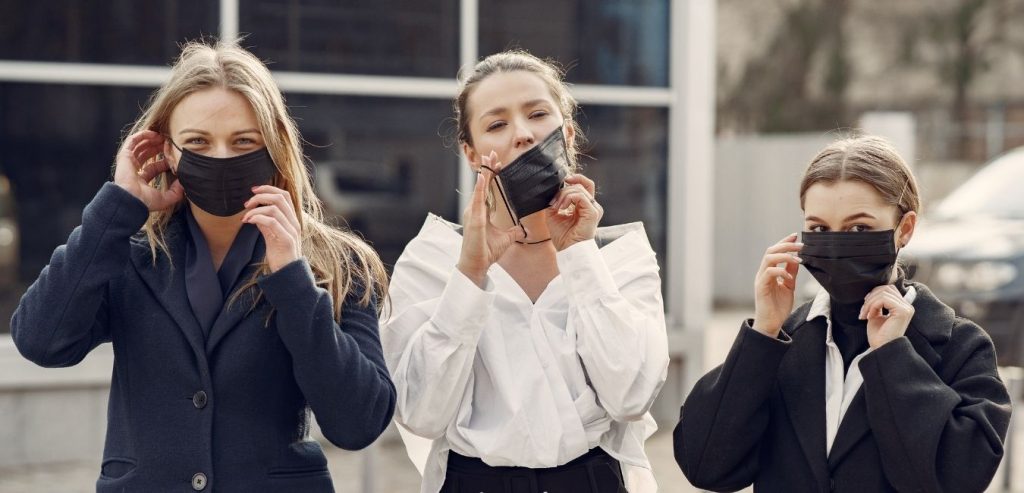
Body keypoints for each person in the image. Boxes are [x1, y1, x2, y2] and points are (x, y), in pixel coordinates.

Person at [10, 40, 396, 492]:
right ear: (167, 151)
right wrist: (116, 208)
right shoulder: (127, 251)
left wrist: (292, 278)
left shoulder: (338, 262)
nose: (221, 157)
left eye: (243, 141)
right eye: (198, 142)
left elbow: (358, 422)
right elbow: (41, 340)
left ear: (272, 145)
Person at [381, 50, 670, 493]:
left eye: (537, 114)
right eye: (496, 124)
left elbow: (631, 396)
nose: (522, 135)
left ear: (568, 134)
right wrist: (470, 275)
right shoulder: (433, 258)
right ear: (470, 151)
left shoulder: (620, 256)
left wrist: (579, 254)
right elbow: (420, 413)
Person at [674, 135, 1011, 492]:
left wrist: (892, 356)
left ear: (905, 229)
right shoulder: (779, 341)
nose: (836, 243)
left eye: (859, 229)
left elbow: (954, 479)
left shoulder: (962, 347)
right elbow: (705, 465)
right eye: (819, 229)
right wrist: (763, 331)